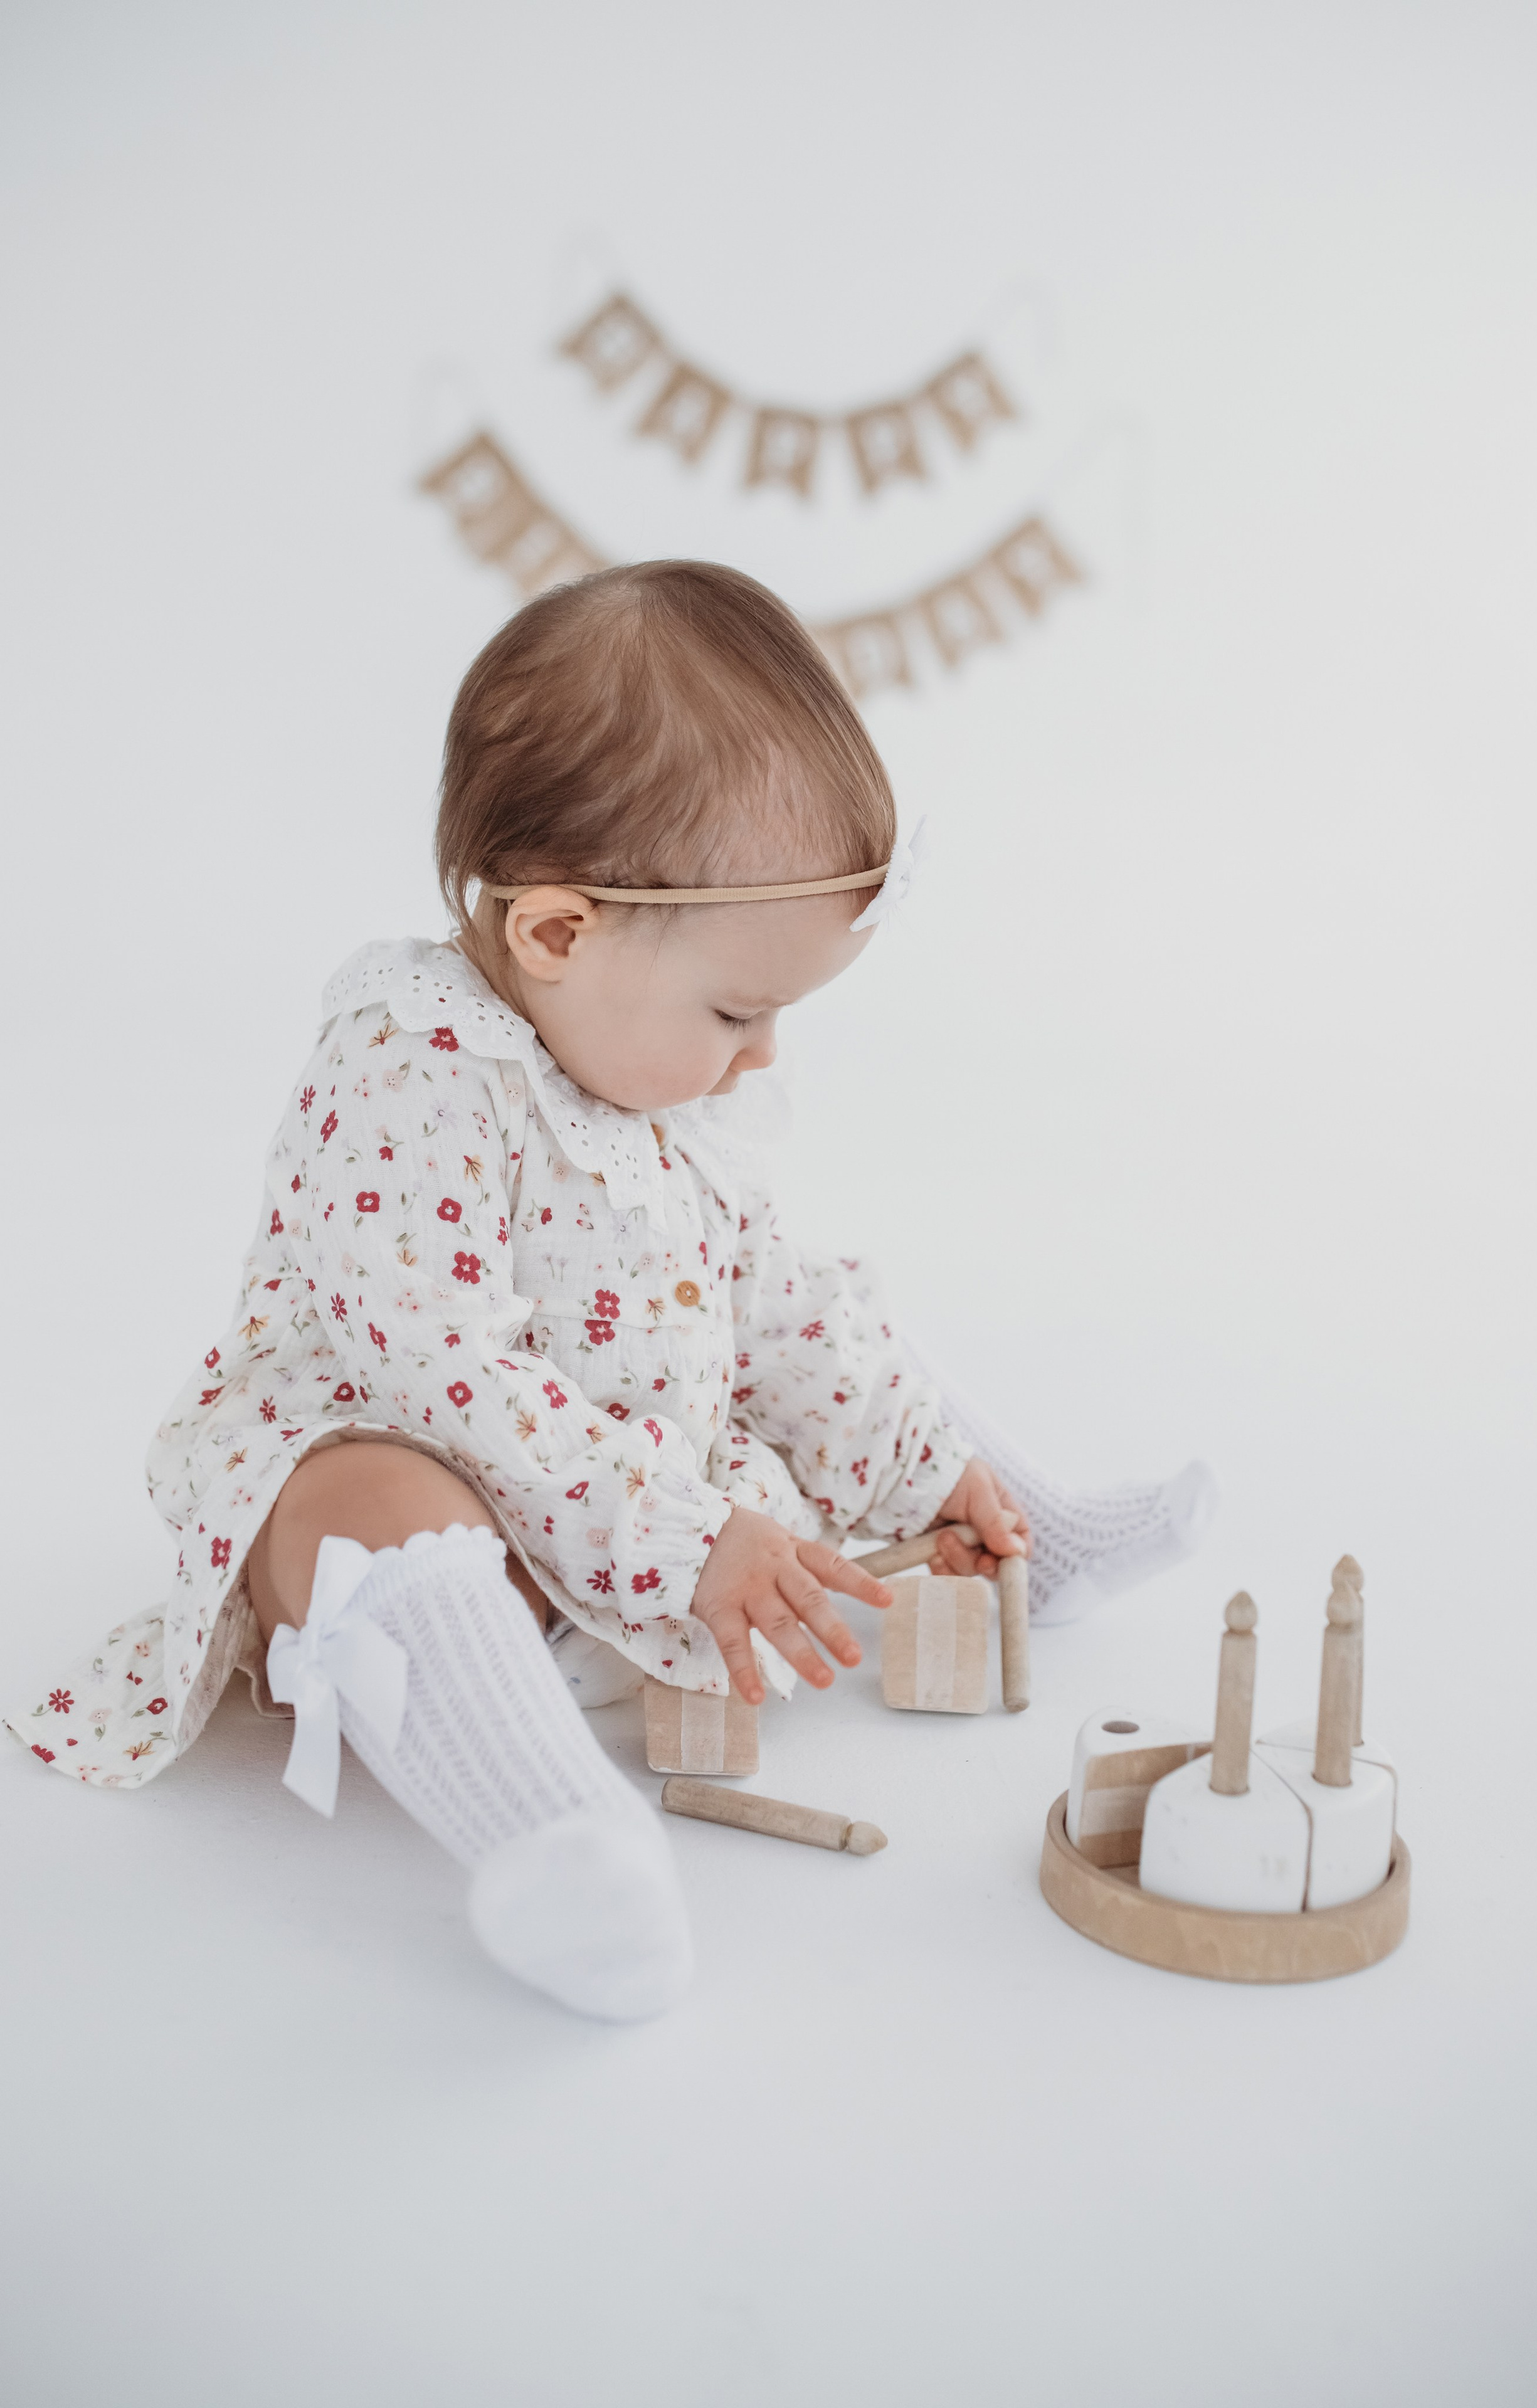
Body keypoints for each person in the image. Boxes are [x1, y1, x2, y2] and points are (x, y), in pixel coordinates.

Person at [7, 562, 1212, 2020]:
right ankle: (554, 1838)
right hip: (456, 1477)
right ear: (557, 934)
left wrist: (924, 1467)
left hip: (618, 1518)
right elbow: (451, 1375)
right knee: (370, 1499)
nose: (762, 1056)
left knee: (822, 1307)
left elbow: (772, 1304)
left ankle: (1033, 1524)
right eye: (737, 1010)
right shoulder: (408, 1071)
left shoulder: (647, 1080)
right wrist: (681, 1535)